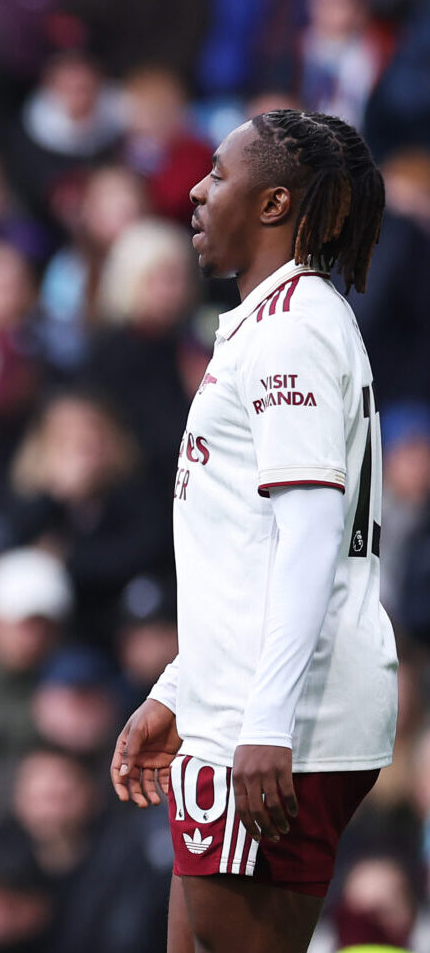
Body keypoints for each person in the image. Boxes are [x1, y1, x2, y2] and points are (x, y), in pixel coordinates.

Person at [112, 109, 398, 953]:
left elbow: (310, 537)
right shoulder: (276, 325)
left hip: (272, 716)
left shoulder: (287, 335)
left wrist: (261, 720)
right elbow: (247, 549)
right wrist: (177, 688)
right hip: (235, 702)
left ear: (274, 203)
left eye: (217, 175)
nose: (196, 191)